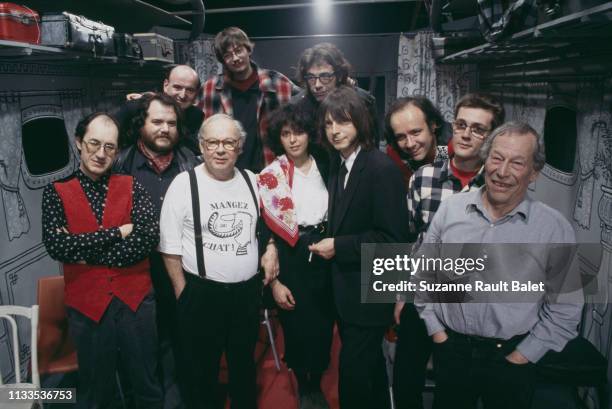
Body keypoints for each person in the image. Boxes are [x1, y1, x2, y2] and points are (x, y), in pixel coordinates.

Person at [414, 121, 583, 409]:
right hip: (451, 350)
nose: (502, 172)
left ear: (534, 174)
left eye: (517, 163)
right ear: (486, 159)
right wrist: (437, 333)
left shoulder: (554, 228)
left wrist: (523, 356)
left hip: (513, 357)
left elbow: (566, 309)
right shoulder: (451, 209)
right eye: (497, 158)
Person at [41, 112, 163, 408]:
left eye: (109, 147)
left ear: (117, 151)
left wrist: (86, 251)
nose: (101, 153)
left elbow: (147, 238)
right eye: (94, 143)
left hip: (136, 302)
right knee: (97, 390)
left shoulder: (132, 186)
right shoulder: (55, 192)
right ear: (79, 142)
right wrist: (117, 233)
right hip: (87, 305)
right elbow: (58, 247)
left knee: (145, 382)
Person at [392, 93, 505, 409]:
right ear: (452, 127)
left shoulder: (498, 187)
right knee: (405, 382)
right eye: (461, 125)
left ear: (493, 136)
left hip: (465, 306)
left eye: (478, 129)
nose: (467, 134)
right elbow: (413, 240)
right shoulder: (423, 178)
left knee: (454, 393)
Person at [158, 113, 279, 409]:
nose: (220, 149)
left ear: (240, 147)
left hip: (246, 294)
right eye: (212, 142)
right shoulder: (183, 184)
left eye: (228, 142)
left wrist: (272, 247)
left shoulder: (253, 180)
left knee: (243, 367)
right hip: (201, 294)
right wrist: (183, 293)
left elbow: (268, 228)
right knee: (201, 372)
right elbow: (169, 248)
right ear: (201, 145)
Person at [309, 86, 410, 409]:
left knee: (353, 377)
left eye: (343, 122)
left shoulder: (381, 169)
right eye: (328, 124)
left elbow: (393, 242)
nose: (335, 131)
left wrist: (338, 246)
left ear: (361, 123)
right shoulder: (340, 163)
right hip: (350, 291)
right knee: (371, 372)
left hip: (369, 294)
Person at [113, 92, 200, 409]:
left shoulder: (191, 162)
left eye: (172, 123)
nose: (165, 128)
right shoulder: (120, 164)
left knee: (185, 343)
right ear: (141, 124)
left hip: (182, 274)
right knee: (142, 351)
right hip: (136, 275)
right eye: (157, 121)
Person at [257, 103, 333, 408]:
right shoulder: (270, 175)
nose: (293, 140)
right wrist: (273, 276)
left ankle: (318, 377)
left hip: (326, 245)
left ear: (309, 134)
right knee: (297, 321)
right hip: (292, 250)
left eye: (298, 132)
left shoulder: (326, 163)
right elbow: (263, 227)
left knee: (325, 320)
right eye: (286, 134)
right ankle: (305, 385)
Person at [201, 26, 300, 172]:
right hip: (228, 173)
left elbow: (308, 100)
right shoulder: (211, 89)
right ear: (222, 60)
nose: (235, 58)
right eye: (228, 55)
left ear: (248, 49)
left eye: (238, 50)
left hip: (271, 170)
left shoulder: (276, 82)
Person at [292, 42, 380, 144]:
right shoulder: (296, 107)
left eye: (325, 76)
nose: (317, 85)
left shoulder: (363, 102)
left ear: (339, 76)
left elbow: (371, 146)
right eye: (311, 77)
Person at [114, 64, 203, 154]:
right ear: (166, 85)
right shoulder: (135, 107)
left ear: (196, 93)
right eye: (177, 87)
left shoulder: (195, 115)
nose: (182, 95)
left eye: (190, 90)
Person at [383, 96, 450, 188]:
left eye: (415, 132)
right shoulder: (394, 153)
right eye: (401, 137)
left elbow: (439, 180)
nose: (410, 144)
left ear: (433, 125)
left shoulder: (450, 147)